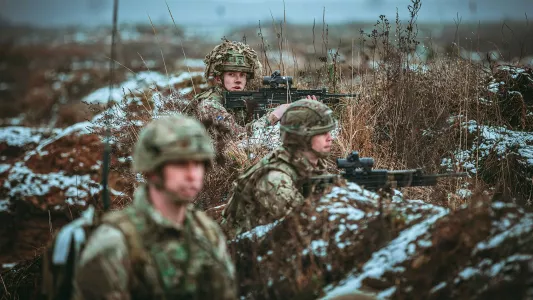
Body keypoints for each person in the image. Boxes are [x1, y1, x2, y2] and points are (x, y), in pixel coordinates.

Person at [71, 114, 238, 299]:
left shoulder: (207, 232)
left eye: (198, 164)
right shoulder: (115, 243)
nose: (192, 175)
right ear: (152, 170)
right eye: (180, 164)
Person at [220, 99, 336, 237]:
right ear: (301, 137)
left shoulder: (312, 164)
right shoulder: (274, 180)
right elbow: (308, 230)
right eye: (322, 133)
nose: (330, 138)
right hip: (242, 251)